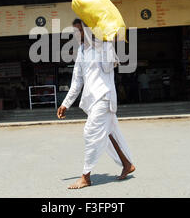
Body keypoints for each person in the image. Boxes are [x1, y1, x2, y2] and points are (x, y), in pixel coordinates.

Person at [56, 19, 135, 189]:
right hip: (92, 102)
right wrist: (65, 104)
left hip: (104, 97)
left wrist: (108, 44)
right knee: (109, 134)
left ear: (88, 31)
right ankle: (127, 164)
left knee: (90, 132)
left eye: (79, 30)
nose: (76, 34)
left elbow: (108, 68)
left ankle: (86, 176)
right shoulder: (81, 53)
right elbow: (77, 82)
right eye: (75, 31)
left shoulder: (103, 46)